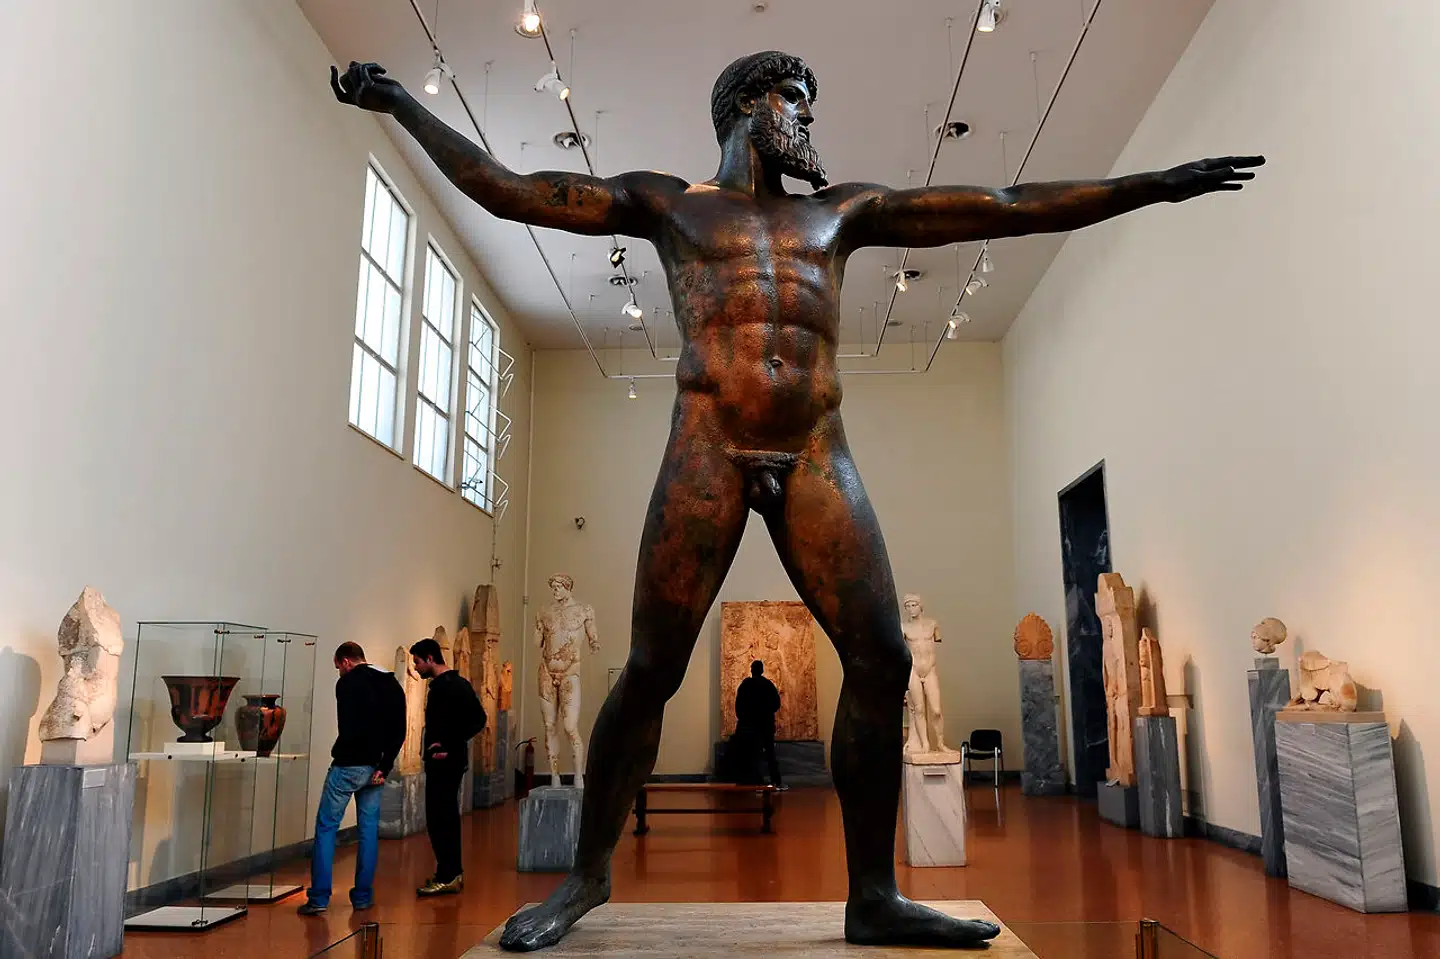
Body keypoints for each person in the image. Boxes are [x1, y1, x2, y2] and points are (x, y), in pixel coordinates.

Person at [331, 49, 1260, 951]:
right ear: (748, 106)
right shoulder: (669, 203)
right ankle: (586, 877)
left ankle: (874, 894)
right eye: (796, 100)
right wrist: (402, 108)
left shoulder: (842, 212)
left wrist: (1152, 183)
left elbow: (1002, 206)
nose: (809, 119)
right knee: (651, 667)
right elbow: (513, 188)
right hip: (710, 442)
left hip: (816, 443)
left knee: (885, 655)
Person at [298, 641, 406, 916]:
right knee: (368, 830)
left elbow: (349, 728)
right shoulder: (391, 683)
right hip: (377, 767)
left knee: (326, 828)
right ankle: (362, 897)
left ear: (346, 661)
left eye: (338, 668)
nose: (339, 673)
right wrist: (384, 765)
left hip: (348, 765)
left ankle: (319, 897)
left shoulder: (347, 685)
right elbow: (399, 729)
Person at [409, 636, 486, 896]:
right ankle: (451, 872)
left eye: (418, 661)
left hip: (447, 763)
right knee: (441, 817)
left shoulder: (453, 685)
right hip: (441, 761)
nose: (416, 667)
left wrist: (447, 745)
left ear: (430, 658)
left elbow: (478, 719)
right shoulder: (445, 685)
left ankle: (448, 875)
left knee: (441, 818)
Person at [734, 660, 784, 789]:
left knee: (754, 756)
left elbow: (738, 706)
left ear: (751, 670)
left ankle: (756, 782)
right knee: (770, 754)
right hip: (766, 725)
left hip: (750, 727)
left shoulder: (745, 685)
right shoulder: (768, 685)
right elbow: (776, 703)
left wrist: (745, 718)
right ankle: (776, 781)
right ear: (762, 670)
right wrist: (766, 713)